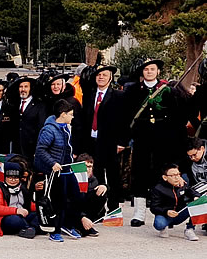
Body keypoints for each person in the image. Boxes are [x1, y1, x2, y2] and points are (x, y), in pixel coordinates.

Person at [125, 59, 187, 227]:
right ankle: (139, 213)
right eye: (146, 69)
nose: (149, 72)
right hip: (142, 137)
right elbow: (127, 115)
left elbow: (178, 117)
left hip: (163, 139)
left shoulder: (169, 91)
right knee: (139, 173)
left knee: (161, 172)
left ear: (158, 72)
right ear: (142, 72)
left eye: (153, 69)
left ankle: (165, 210)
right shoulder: (132, 91)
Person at [79, 65, 127, 210]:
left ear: (110, 78)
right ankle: (97, 207)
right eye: (98, 75)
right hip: (92, 140)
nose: (101, 77)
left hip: (110, 141)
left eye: (104, 75)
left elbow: (124, 121)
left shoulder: (118, 96)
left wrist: (122, 141)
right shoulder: (89, 95)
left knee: (112, 175)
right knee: (95, 173)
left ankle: (113, 207)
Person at [34, 99, 82, 242]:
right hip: (55, 171)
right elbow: (40, 150)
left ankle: (68, 224)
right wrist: (52, 163)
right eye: (71, 114)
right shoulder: (49, 130)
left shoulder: (66, 127)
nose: (72, 117)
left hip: (67, 168)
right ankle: (54, 230)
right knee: (57, 201)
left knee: (75, 196)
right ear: (63, 114)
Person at [0, 161, 38, 238]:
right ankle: (30, 228)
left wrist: (40, 207)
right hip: (3, 219)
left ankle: (29, 229)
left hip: (22, 215)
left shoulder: (22, 188)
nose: (13, 180)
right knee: (14, 219)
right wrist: (16, 210)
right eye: (10, 177)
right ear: (5, 177)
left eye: (16, 178)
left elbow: (29, 205)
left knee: (38, 215)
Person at [150, 163, 199, 241]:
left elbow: (192, 191)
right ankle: (164, 228)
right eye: (173, 175)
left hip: (180, 213)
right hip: (166, 214)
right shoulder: (158, 189)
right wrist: (166, 211)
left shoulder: (181, 184)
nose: (177, 178)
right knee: (159, 224)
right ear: (165, 177)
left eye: (178, 174)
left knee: (197, 204)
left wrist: (196, 196)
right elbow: (153, 207)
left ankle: (189, 229)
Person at [10, 76, 46, 159]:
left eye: (26, 86)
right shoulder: (14, 104)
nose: (23, 89)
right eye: (21, 87)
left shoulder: (39, 105)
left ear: (30, 88)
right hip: (16, 149)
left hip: (31, 148)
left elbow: (41, 127)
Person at [75, 154, 107, 237]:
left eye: (90, 167)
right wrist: (81, 217)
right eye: (86, 166)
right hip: (74, 211)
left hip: (85, 209)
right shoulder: (72, 179)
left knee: (101, 193)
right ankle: (79, 224)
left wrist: (104, 187)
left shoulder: (93, 179)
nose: (88, 169)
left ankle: (88, 224)